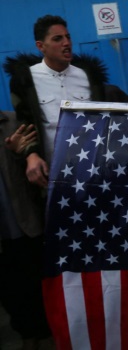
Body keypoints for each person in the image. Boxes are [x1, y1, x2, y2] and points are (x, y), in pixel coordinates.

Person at [3, 14, 125, 188]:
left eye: (68, 37)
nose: (66, 43)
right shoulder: (25, 81)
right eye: (57, 39)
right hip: (53, 178)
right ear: (41, 46)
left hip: (94, 174)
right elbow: (26, 125)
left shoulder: (89, 77)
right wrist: (31, 154)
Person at [0, 111, 52, 350]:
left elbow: (39, 159)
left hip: (25, 222)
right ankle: (26, 334)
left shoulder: (13, 121)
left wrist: (25, 153)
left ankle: (45, 333)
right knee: (9, 290)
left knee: (35, 283)